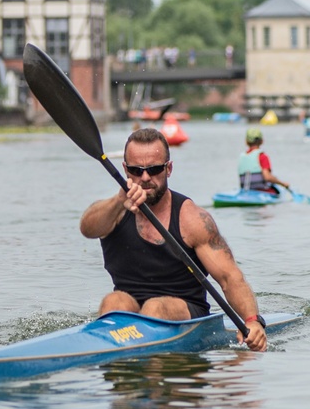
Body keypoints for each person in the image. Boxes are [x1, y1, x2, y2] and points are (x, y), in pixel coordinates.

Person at [79, 128, 267, 351]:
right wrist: (119, 200)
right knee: (113, 302)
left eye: (154, 169)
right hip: (127, 308)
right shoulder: (115, 210)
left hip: (185, 313)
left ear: (168, 169)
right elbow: (87, 228)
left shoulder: (192, 220)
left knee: (155, 308)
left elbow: (229, 278)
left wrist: (252, 321)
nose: (145, 178)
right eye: (136, 170)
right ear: (125, 170)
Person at [239, 128, 290, 194]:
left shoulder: (242, 156)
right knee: (277, 191)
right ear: (262, 141)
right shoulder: (262, 156)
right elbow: (267, 177)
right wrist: (282, 183)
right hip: (261, 191)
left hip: (245, 191)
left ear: (246, 141)